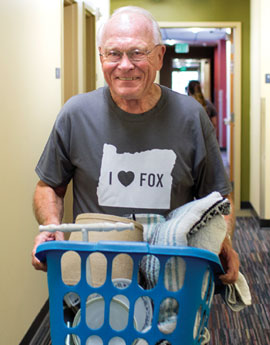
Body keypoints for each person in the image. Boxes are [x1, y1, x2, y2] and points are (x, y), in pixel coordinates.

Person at [31, 6, 239, 284]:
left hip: (172, 280)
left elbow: (219, 199)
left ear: (159, 56)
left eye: (137, 52)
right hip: (93, 278)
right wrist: (51, 225)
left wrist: (222, 240)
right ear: (101, 56)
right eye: (114, 53)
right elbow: (49, 186)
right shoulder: (76, 114)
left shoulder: (191, 116)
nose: (125, 65)